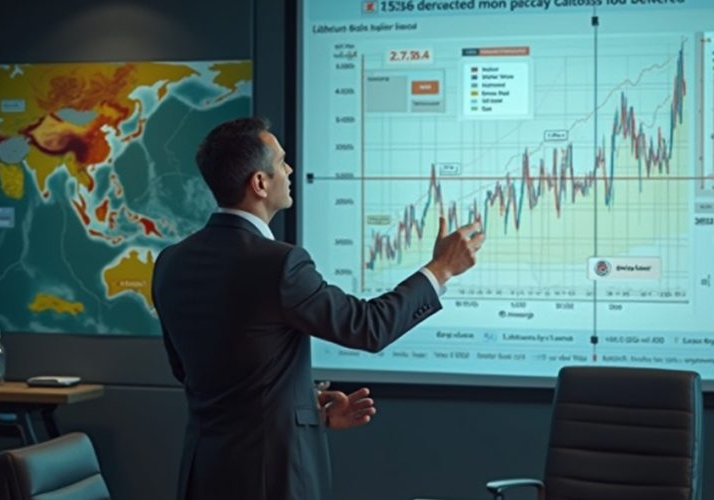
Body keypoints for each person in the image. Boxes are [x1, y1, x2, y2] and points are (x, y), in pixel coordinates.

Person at [151, 117, 484, 500]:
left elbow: (195, 372)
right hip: (270, 479)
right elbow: (367, 327)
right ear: (259, 183)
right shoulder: (278, 263)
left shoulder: (171, 262)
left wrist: (307, 409)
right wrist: (441, 268)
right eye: (281, 162)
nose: (291, 169)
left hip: (203, 475)